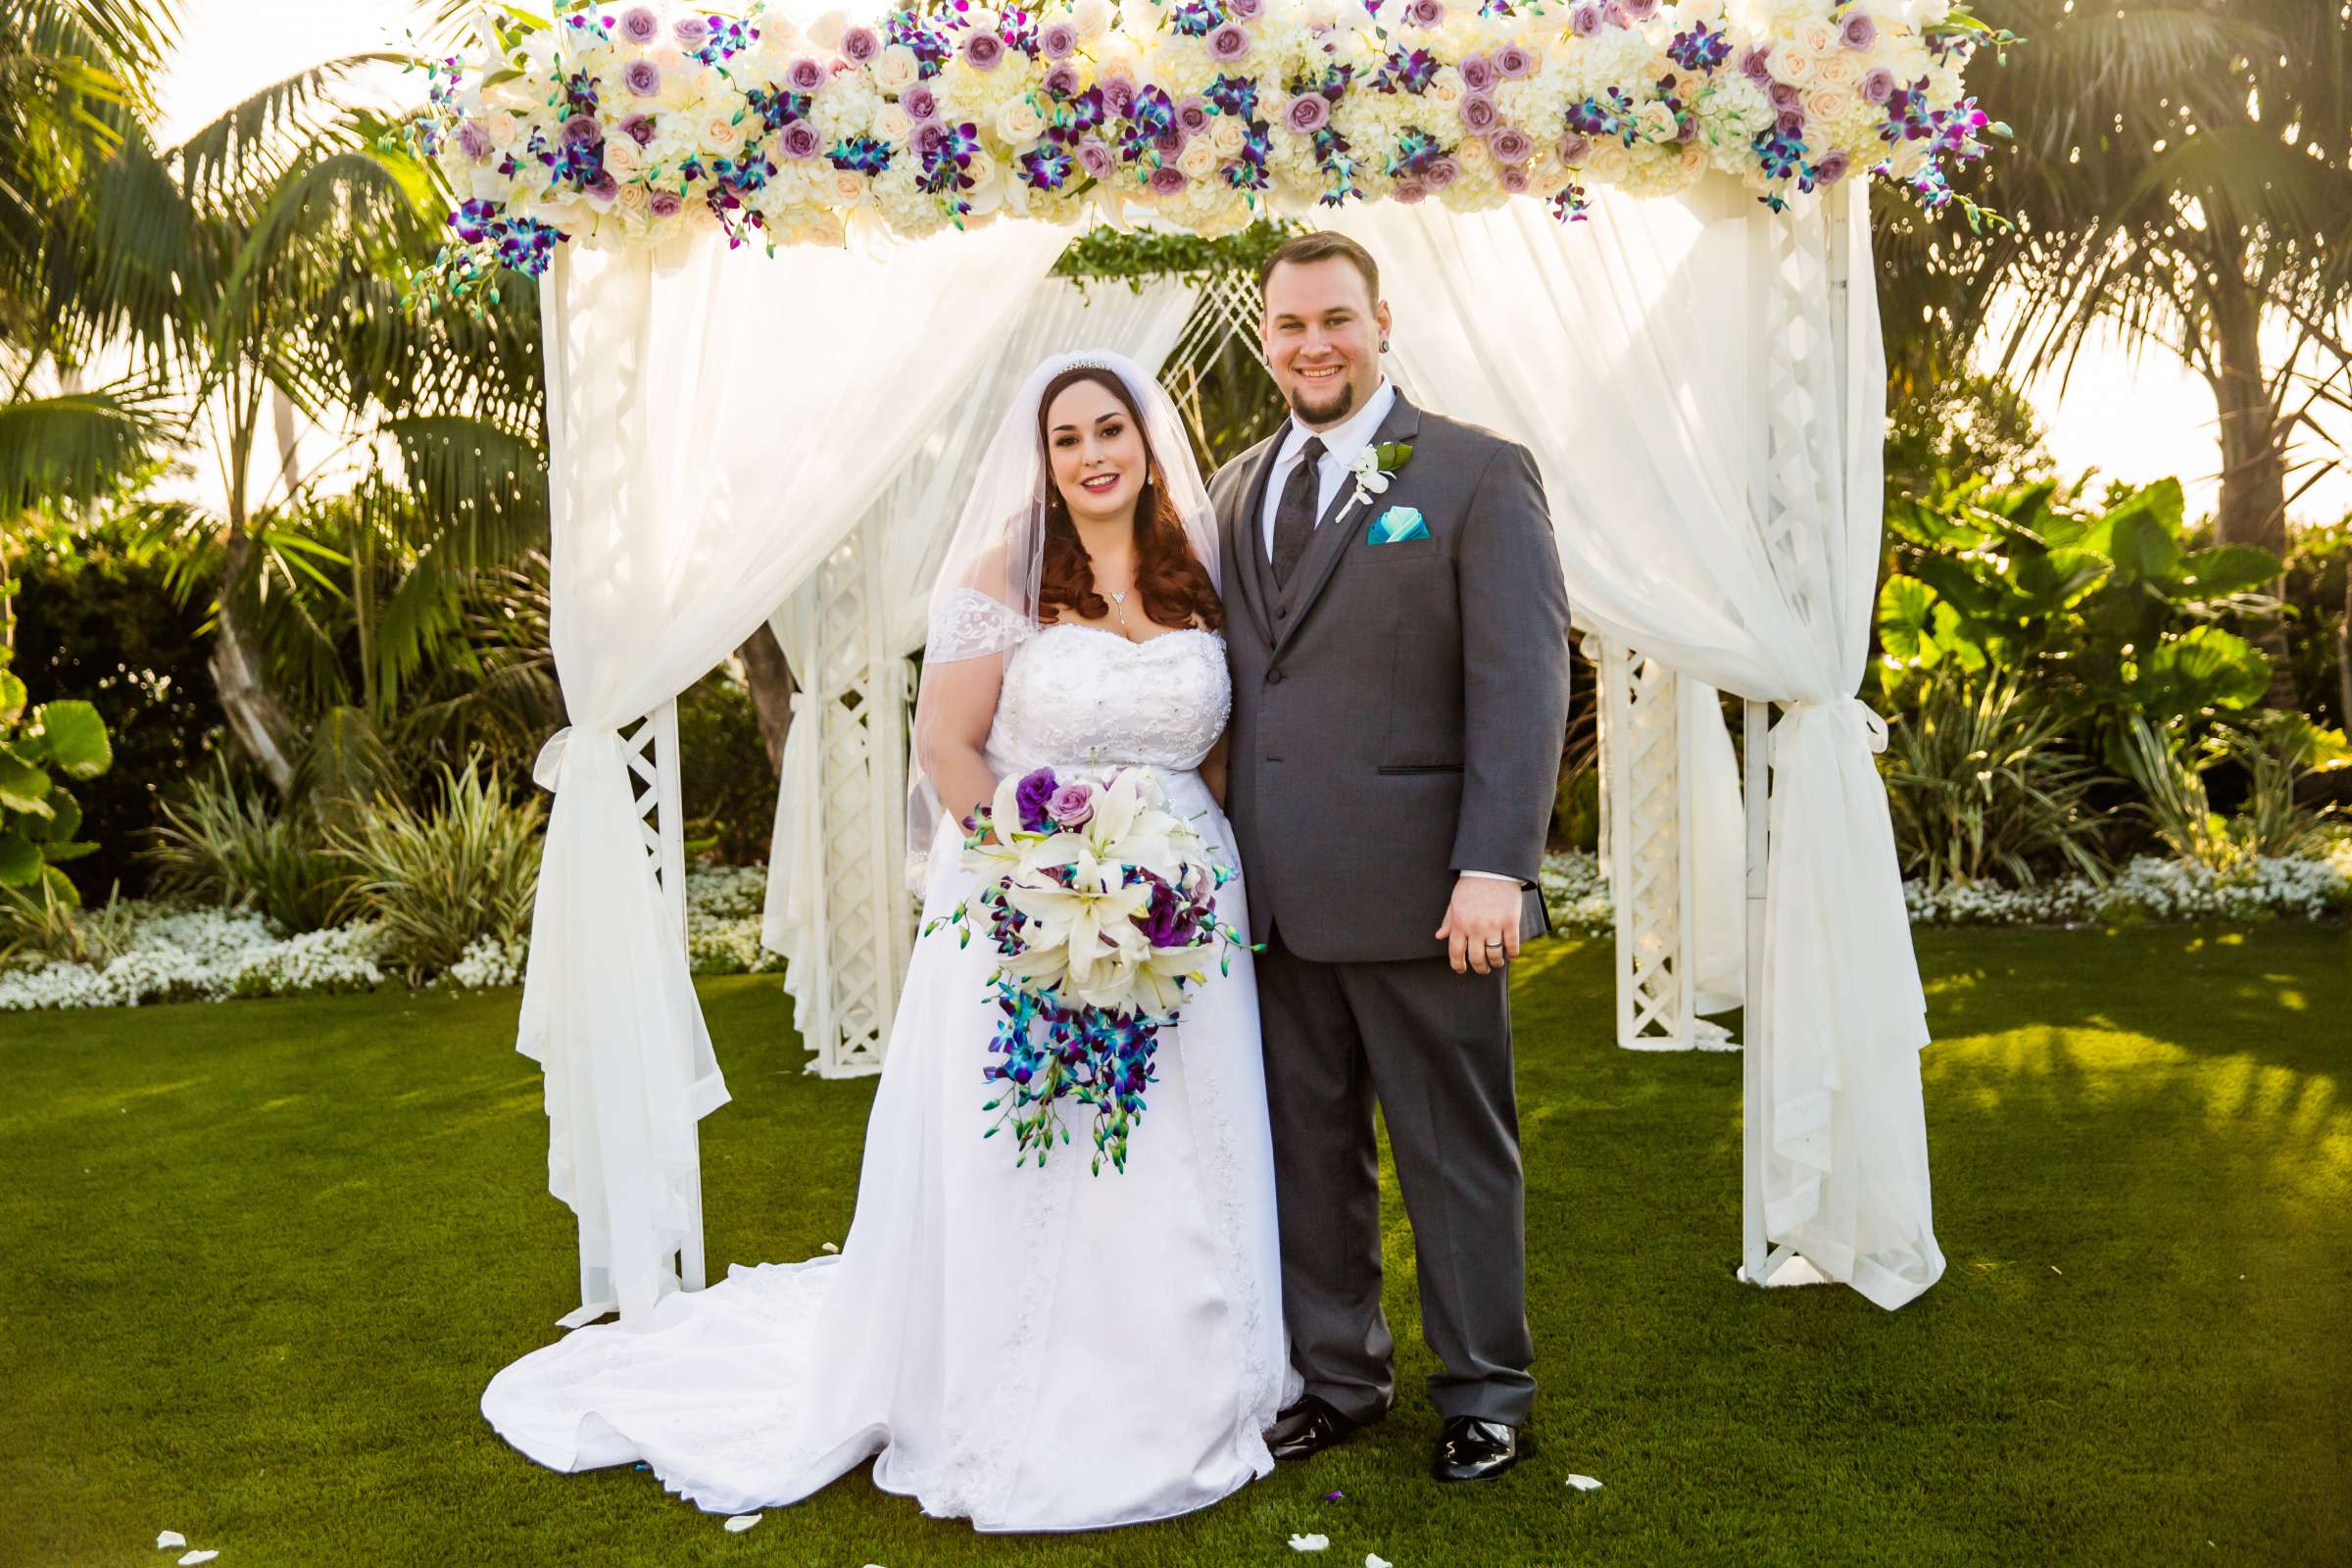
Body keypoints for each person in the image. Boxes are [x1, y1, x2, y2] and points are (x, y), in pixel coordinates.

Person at [479, 351, 1288, 1532]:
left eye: (1111, 428)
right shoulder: (1000, 574)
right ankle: (1025, 1390)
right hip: (1035, 894)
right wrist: (1049, 873)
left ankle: (1206, 1373)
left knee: (1178, 1132)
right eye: (1068, 438)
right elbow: (951, 750)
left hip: (1185, 909)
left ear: (1147, 440)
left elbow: (1214, 751)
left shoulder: (1200, 579)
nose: (1094, 453)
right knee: (1046, 1135)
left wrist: (1179, 870)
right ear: (1043, 458)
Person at [1211, 231, 1573, 1484]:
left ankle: (1486, 1389)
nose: (1313, 344)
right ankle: (1337, 1377)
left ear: (1381, 322)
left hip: (1431, 895)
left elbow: (1525, 683)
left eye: (1336, 320)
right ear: (1267, 337)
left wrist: (1496, 865)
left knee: (1453, 1150)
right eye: (1291, 324)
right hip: (1269, 899)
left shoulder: (1474, 473)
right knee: (1309, 1153)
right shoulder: (1232, 483)